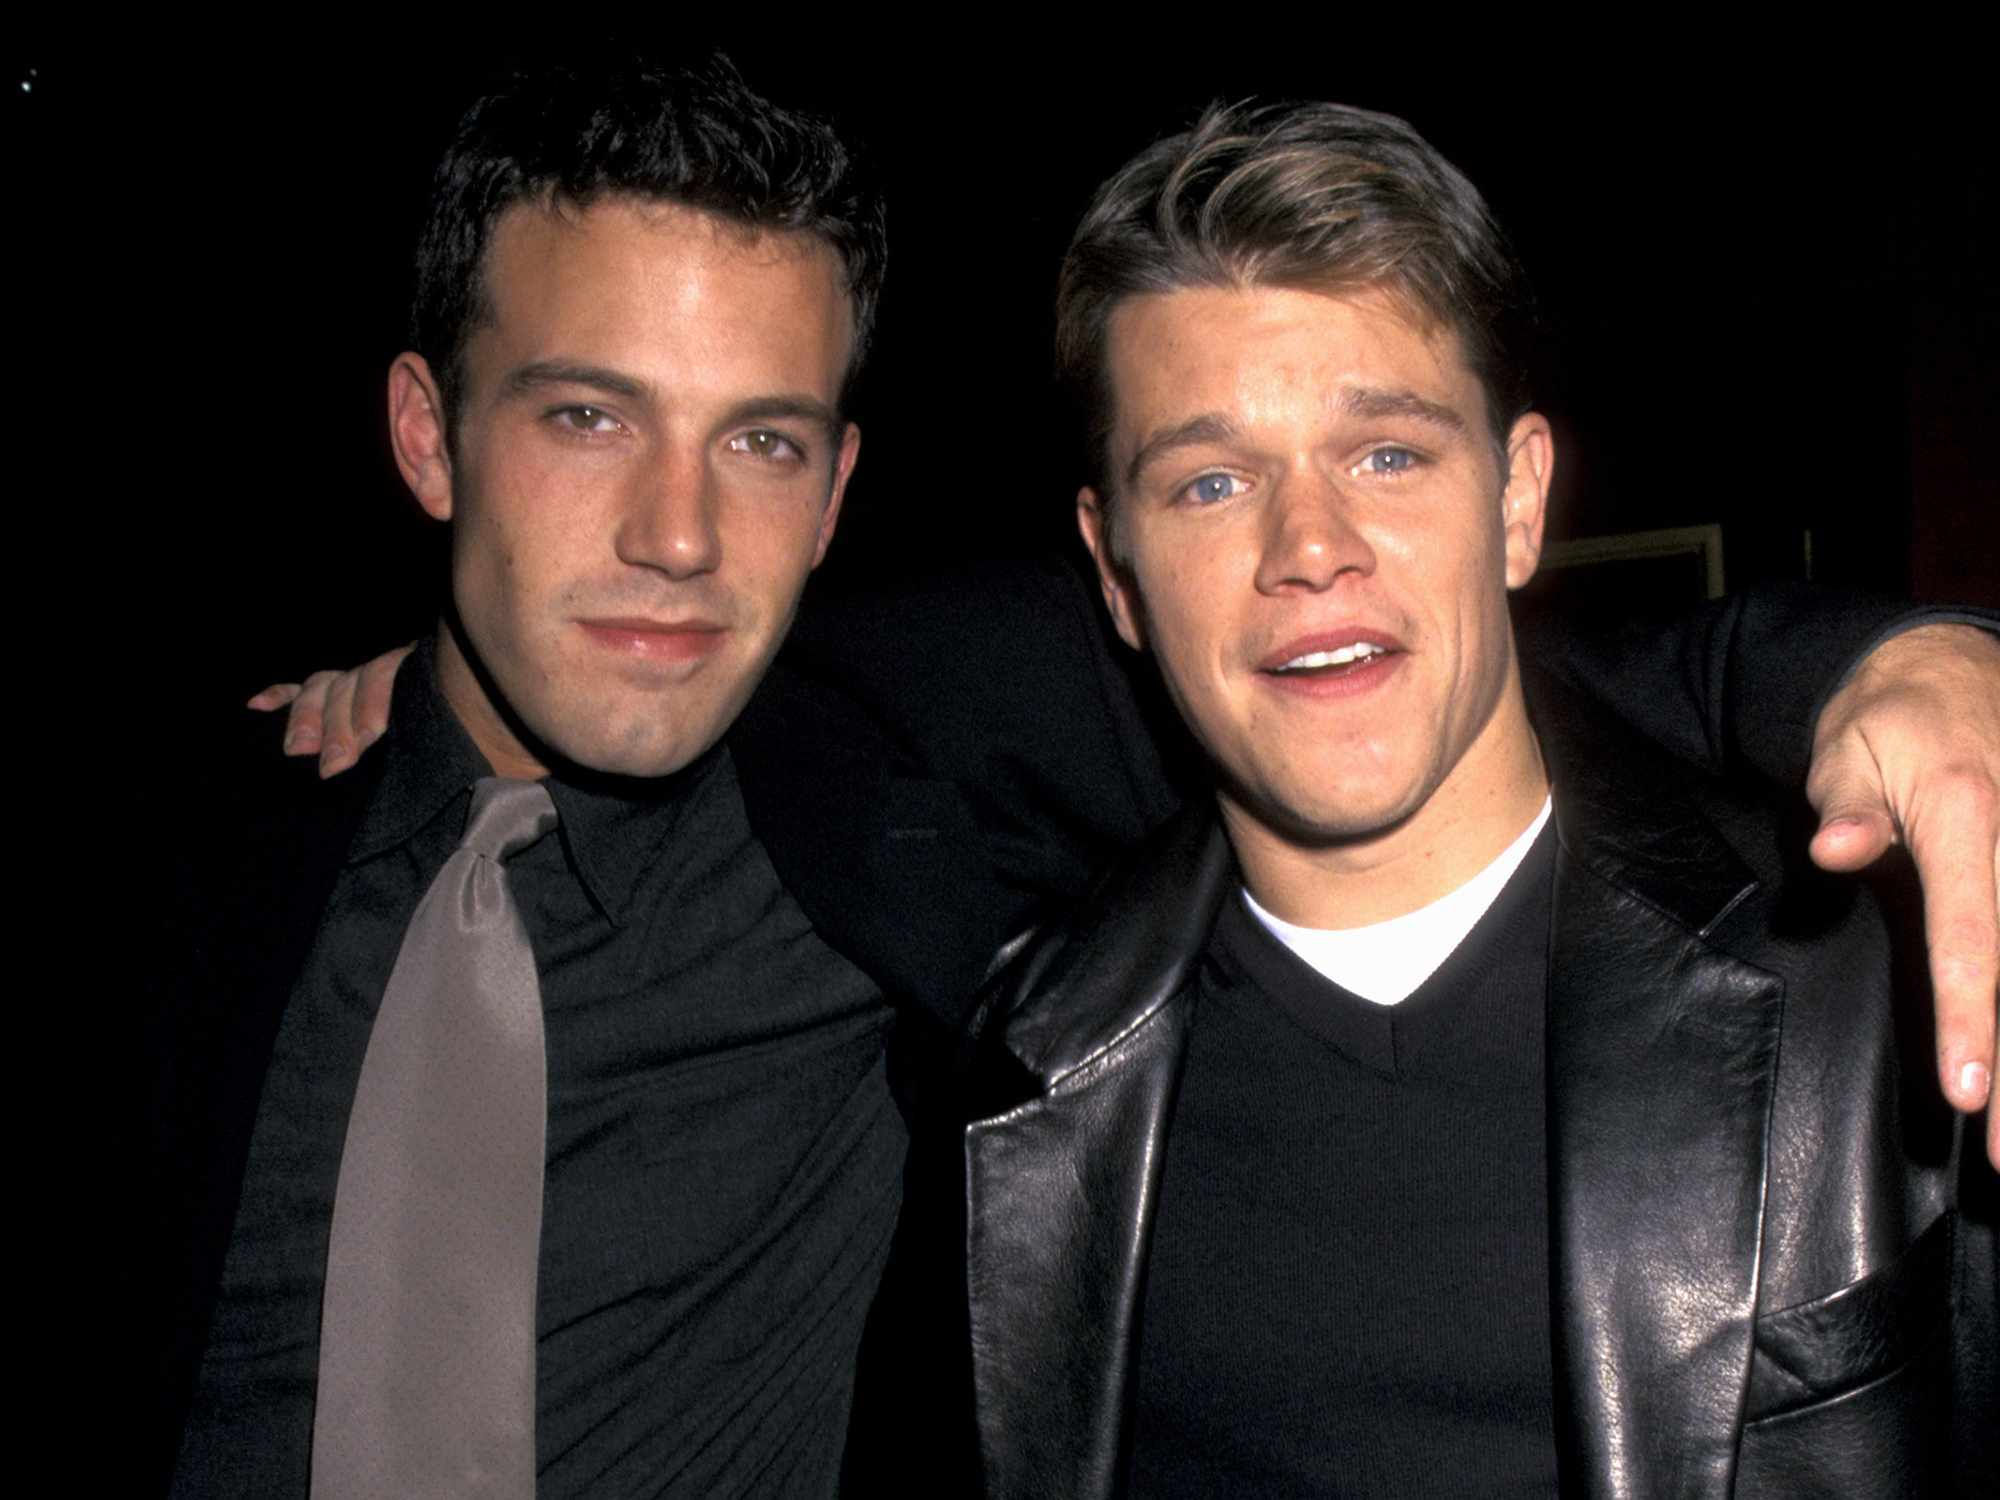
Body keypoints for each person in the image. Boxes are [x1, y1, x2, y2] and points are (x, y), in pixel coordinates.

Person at [195, 61, 2000, 1498]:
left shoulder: (1894, 987)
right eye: (585, 417)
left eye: (762, 441)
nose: (675, 534)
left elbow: (1451, 664)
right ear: (429, 434)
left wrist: (1902, 660)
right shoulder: (1024, 1039)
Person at [945, 99, 1997, 1498]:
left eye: (1387, 453)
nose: (1309, 546)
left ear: (1517, 501)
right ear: (1117, 571)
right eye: (1210, 482)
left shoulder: (1883, 975)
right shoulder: (1014, 1071)